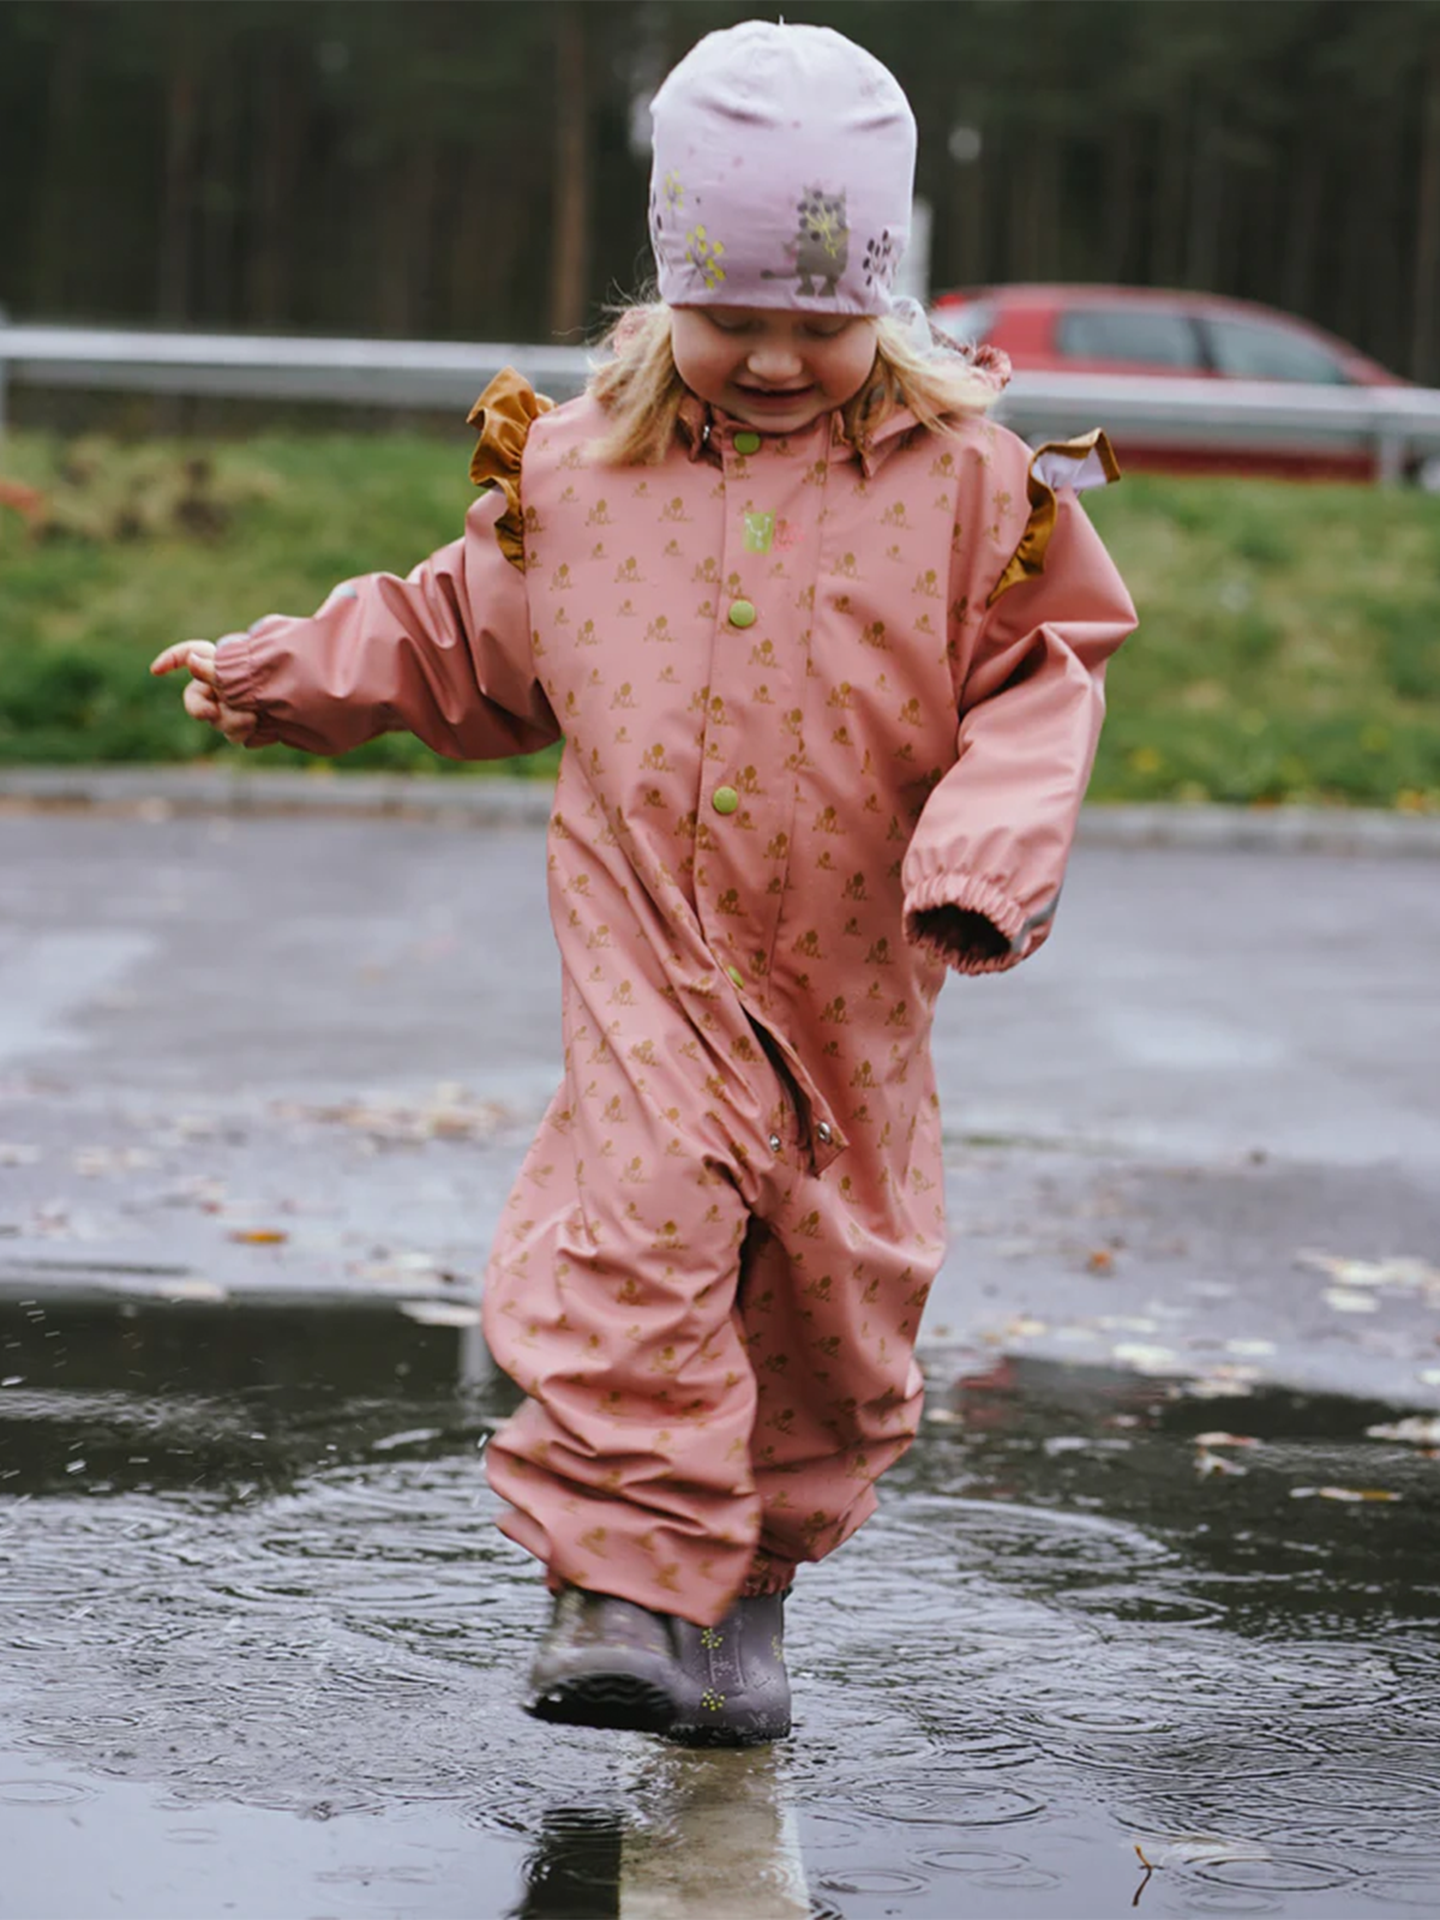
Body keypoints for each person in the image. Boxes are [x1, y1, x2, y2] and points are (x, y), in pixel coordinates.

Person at [152, 20, 1136, 1748]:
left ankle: (744, 1592)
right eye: (731, 313)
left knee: (828, 1303)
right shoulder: (579, 473)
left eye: (818, 323)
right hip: (647, 947)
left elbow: (1043, 683)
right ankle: (616, 1584)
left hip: (849, 973)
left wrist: (984, 857)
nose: (770, 357)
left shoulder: (980, 492)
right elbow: (460, 637)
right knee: (642, 1221)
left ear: (887, 300)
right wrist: (282, 670)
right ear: (667, 280)